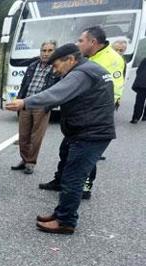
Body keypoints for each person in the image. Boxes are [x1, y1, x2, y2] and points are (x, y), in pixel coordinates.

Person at [6, 43, 115, 234]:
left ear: (70, 60)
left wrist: (25, 102)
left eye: (56, 65)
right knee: (66, 169)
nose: (55, 70)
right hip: (84, 129)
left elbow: (56, 93)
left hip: (90, 133)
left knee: (73, 177)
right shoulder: (89, 68)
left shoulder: (81, 73)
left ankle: (65, 221)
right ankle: (60, 213)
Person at [38, 26, 124, 199]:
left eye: (80, 40)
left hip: (93, 120)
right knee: (66, 151)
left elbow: (112, 89)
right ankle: (60, 180)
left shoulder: (111, 59)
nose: (78, 43)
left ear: (92, 42)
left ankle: (83, 187)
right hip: (78, 119)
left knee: (83, 159)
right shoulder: (86, 58)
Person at [11, 40, 59, 174]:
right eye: (44, 50)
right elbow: (24, 84)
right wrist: (19, 100)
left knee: (36, 136)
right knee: (23, 135)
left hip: (42, 106)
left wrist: (48, 106)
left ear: (55, 52)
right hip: (26, 103)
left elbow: (57, 90)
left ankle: (31, 162)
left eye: (50, 51)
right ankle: (24, 159)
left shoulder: (57, 68)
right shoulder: (33, 65)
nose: (46, 54)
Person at [130, 55, 146, 123]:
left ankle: (136, 118)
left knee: (139, 102)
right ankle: (145, 117)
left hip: (142, 84)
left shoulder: (145, 59)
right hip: (142, 83)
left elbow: (139, 70)